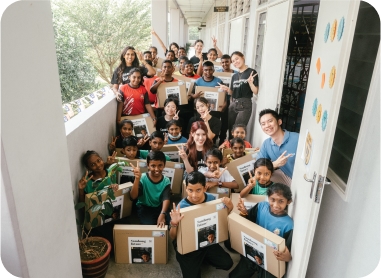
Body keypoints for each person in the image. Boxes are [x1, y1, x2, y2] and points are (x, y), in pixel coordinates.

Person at [169, 171, 234, 278]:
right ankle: (188, 260)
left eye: (198, 190)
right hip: (188, 245)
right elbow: (173, 237)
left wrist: (230, 207)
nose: (194, 195)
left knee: (227, 263)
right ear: (186, 189)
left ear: (204, 188)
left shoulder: (211, 199)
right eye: (190, 190)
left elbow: (220, 220)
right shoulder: (181, 207)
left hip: (206, 241)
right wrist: (174, 223)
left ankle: (203, 259)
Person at [229, 183, 293, 278]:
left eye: (281, 201)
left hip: (270, 260)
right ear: (268, 198)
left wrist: (287, 257)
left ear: (288, 202)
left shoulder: (288, 224)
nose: (275, 205)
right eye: (272, 200)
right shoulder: (261, 206)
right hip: (253, 249)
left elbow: (287, 249)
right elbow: (249, 219)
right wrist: (244, 212)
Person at [216, 51, 259, 137]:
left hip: (245, 104)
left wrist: (250, 83)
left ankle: (237, 149)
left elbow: (256, 91)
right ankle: (229, 149)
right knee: (231, 130)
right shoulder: (234, 76)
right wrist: (227, 89)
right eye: (233, 61)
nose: (235, 62)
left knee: (238, 130)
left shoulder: (251, 72)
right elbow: (232, 92)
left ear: (243, 57)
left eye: (237, 59)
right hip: (233, 104)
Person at [256, 109, 299, 186]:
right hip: (288, 178)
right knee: (263, 176)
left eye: (270, 121)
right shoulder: (266, 144)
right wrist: (274, 164)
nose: (267, 125)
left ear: (279, 122)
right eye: (263, 124)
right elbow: (258, 167)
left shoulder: (297, 138)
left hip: (303, 180)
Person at [130, 151, 171, 226]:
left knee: (171, 223)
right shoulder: (142, 178)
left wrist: (162, 214)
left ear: (164, 165)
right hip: (145, 207)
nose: (157, 169)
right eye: (153, 166)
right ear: (148, 166)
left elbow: (166, 198)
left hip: (159, 206)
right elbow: (133, 196)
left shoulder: (166, 180)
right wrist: (137, 179)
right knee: (149, 225)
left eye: (160, 165)